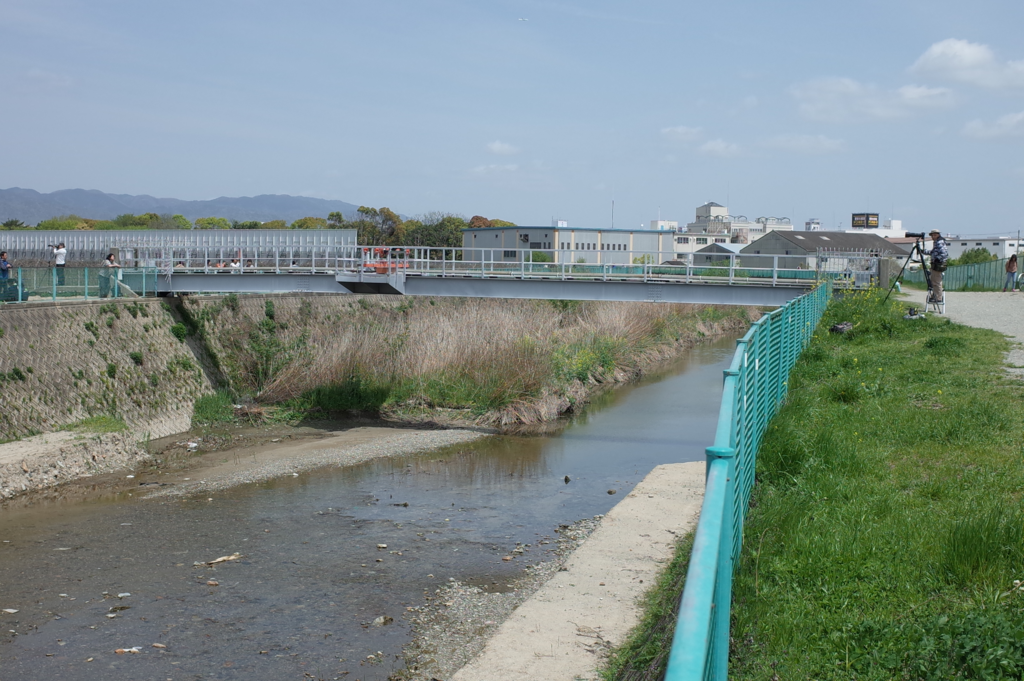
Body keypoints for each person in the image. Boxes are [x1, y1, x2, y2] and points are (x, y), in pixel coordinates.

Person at [928, 229, 948, 304]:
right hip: (936, 263)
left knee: (936, 281)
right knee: (934, 280)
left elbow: (944, 253)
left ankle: (938, 297)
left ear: (938, 235)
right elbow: (933, 252)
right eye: (932, 235)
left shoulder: (940, 242)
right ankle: (935, 296)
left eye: (934, 235)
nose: (933, 237)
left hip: (938, 264)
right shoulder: (937, 242)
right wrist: (924, 251)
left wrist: (937, 259)